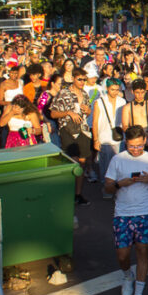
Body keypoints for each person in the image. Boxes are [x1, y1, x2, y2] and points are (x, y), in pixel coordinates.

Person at [104, 126, 148, 295]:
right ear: (125, 143)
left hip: (146, 212)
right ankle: (127, 275)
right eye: (132, 146)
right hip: (122, 213)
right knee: (122, 254)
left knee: (142, 252)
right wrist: (119, 184)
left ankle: (139, 294)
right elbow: (107, 188)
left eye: (139, 146)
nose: (136, 150)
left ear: (145, 140)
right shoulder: (118, 159)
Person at [49, 71, 95, 206]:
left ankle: (78, 194)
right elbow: (53, 113)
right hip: (68, 130)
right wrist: (68, 113)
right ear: (74, 79)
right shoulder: (63, 93)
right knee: (73, 161)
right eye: (80, 79)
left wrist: (88, 110)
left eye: (84, 80)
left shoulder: (85, 94)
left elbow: (88, 112)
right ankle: (66, 193)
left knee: (81, 162)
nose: (82, 82)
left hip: (83, 130)